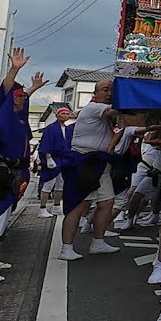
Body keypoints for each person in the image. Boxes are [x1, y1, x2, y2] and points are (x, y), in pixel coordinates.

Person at [0, 48, 45, 284]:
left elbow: (19, 97)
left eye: (23, 97)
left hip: (16, 174)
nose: (21, 99)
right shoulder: (0, 114)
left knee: (2, 218)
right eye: (18, 96)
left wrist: (32, 89)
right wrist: (14, 68)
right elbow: (7, 93)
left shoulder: (19, 118)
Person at [58, 78, 122, 261]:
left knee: (107, 203)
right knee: (79, 205)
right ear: (95, 93)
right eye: (105, 89)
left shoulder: (105, 114)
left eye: (112, 90)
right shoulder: (94, 108)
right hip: (84, 161)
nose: (109, 93)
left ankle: (98, 241)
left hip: (100, 163)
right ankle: (66, 247)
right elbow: (117, 110)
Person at [37, 108, 73, 218]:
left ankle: (57, 206)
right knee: (48, 184)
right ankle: (42, 208)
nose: (65, 115)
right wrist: (48, 157)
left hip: (64, 159)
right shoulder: (50, 128)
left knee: (60, 184)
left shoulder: (68, 129)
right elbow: (46, 143)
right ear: (58, 115)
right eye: (63, 114)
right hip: (53, 158)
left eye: (67, 114)